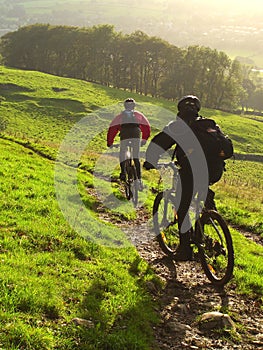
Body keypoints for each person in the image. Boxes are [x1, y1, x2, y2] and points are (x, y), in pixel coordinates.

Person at [143, 95, 233, 261]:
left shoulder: (178, 126)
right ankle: (206, 212)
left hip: (191, 170)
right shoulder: (208, 124)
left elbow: (160, 143)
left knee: (183, 207)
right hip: (215, 170)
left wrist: (150, 161)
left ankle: (184, 250)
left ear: (180, 110)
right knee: (200, 190)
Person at [107, 98, 151, 189]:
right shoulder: (139, 115)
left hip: (125, 134)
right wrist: (144, 139)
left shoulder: (120, 116)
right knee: (136, 157)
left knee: (122, 152)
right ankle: (138, 179)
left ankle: (123, 173)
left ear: (125, 106)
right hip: (136, 134)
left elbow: (112, 129)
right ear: (134, 106)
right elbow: (146, 127)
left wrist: (110, 143)